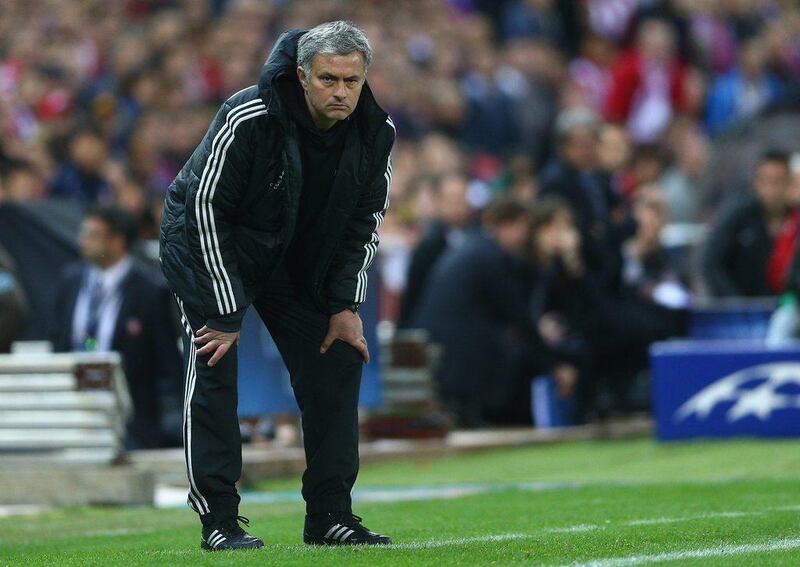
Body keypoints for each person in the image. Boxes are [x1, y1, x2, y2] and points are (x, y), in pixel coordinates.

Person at [159, 22, 394, 549]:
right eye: (329, 78)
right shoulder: (249, 116)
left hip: (295, 263)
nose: (341, 92)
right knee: (214, 365)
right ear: (302, 75)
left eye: (351, 81)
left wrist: (344, 304)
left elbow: (365, 221)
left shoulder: (376, 132)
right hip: (214, 250)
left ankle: (330, 514)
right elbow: (201, 207)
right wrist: (224, 310)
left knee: (337, 357)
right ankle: (218, 519)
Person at [413, 198, 571, 427]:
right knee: (507, 342)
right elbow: (517, 315)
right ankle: (486, 415)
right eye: (522, 229)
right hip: (456, 349)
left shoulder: (476, 248)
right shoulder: (490, 257)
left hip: (439, 339)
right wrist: (552, 364)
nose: (524, 238)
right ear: (508, 225)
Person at [49, 205, 182, 449]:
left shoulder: (149, 291)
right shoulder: (70, 281)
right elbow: (59, 341)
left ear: (117, 241)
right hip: (74, 411)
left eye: (92, 235)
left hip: (131, 418)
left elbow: (167, 358)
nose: (82, 241)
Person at [704, 151, 798, 297]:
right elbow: (711, 262)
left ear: (789, 183)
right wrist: (734, 301)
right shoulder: (738, 216)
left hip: (784, 309)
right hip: (741, 311)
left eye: (778, 181)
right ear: (756, 182)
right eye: (765, 180)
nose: (771, 190)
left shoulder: (795, 219)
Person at [396, 170, 475, 328]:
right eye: (452, 198)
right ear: (438, 201)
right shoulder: (428, 246)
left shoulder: (478, 238)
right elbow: (414, 295)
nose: (457, 204)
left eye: (462, 198)